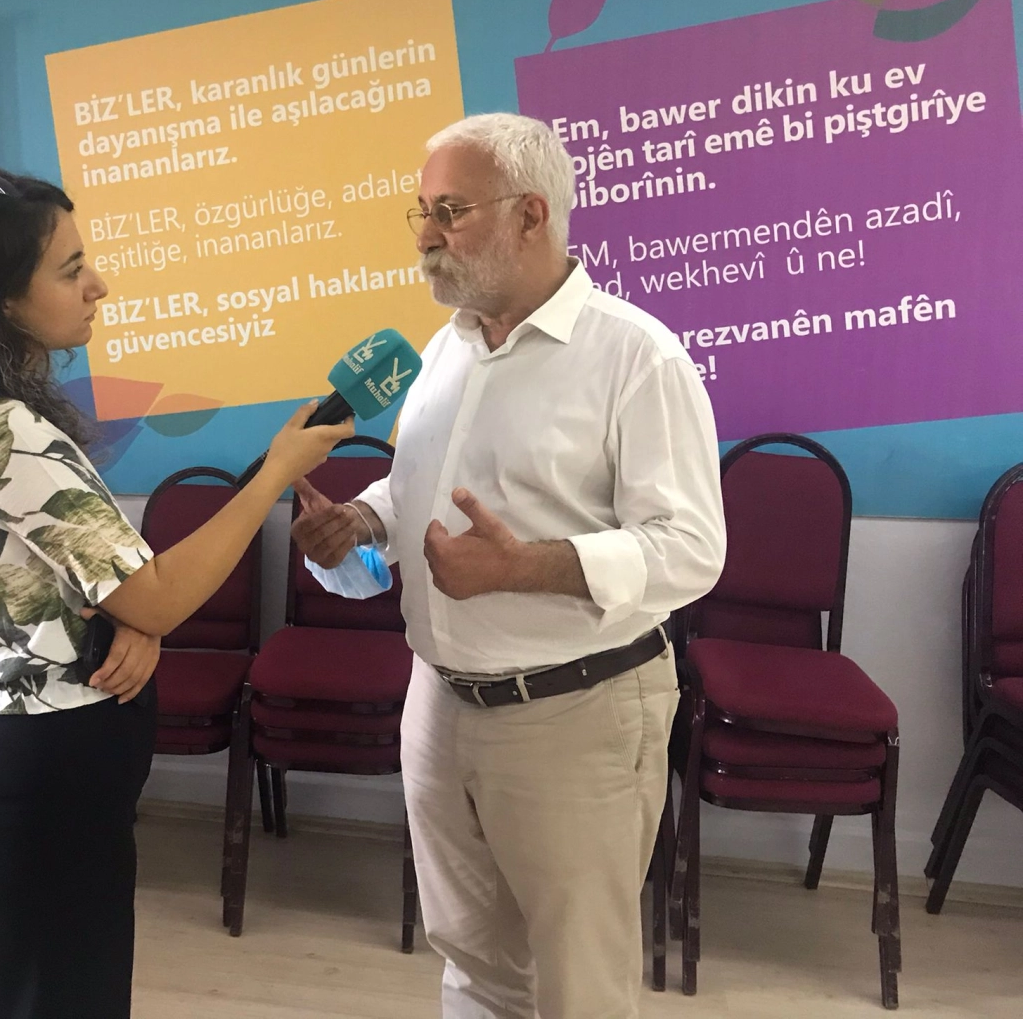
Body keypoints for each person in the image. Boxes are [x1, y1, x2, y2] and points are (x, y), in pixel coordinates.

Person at [0, 169, 351, 1019]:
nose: (99, 284)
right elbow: (151, 595)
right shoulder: (4, 433)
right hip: (45, 785)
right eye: (70, 268)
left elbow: (99, 581)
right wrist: (275, 472)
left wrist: (137, 622)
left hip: (34, 771)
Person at [291, 114, 726, 1019]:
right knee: (472, 963)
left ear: (532, 214)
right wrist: (361, 523)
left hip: (577, 712)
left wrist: (525, 568)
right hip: (439, 701)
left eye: (449, 211)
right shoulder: (445, 348)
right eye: (420, 211)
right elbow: (416, 492)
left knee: (578, 984)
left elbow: (691, 548)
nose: (424, 234)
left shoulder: (636, 356)